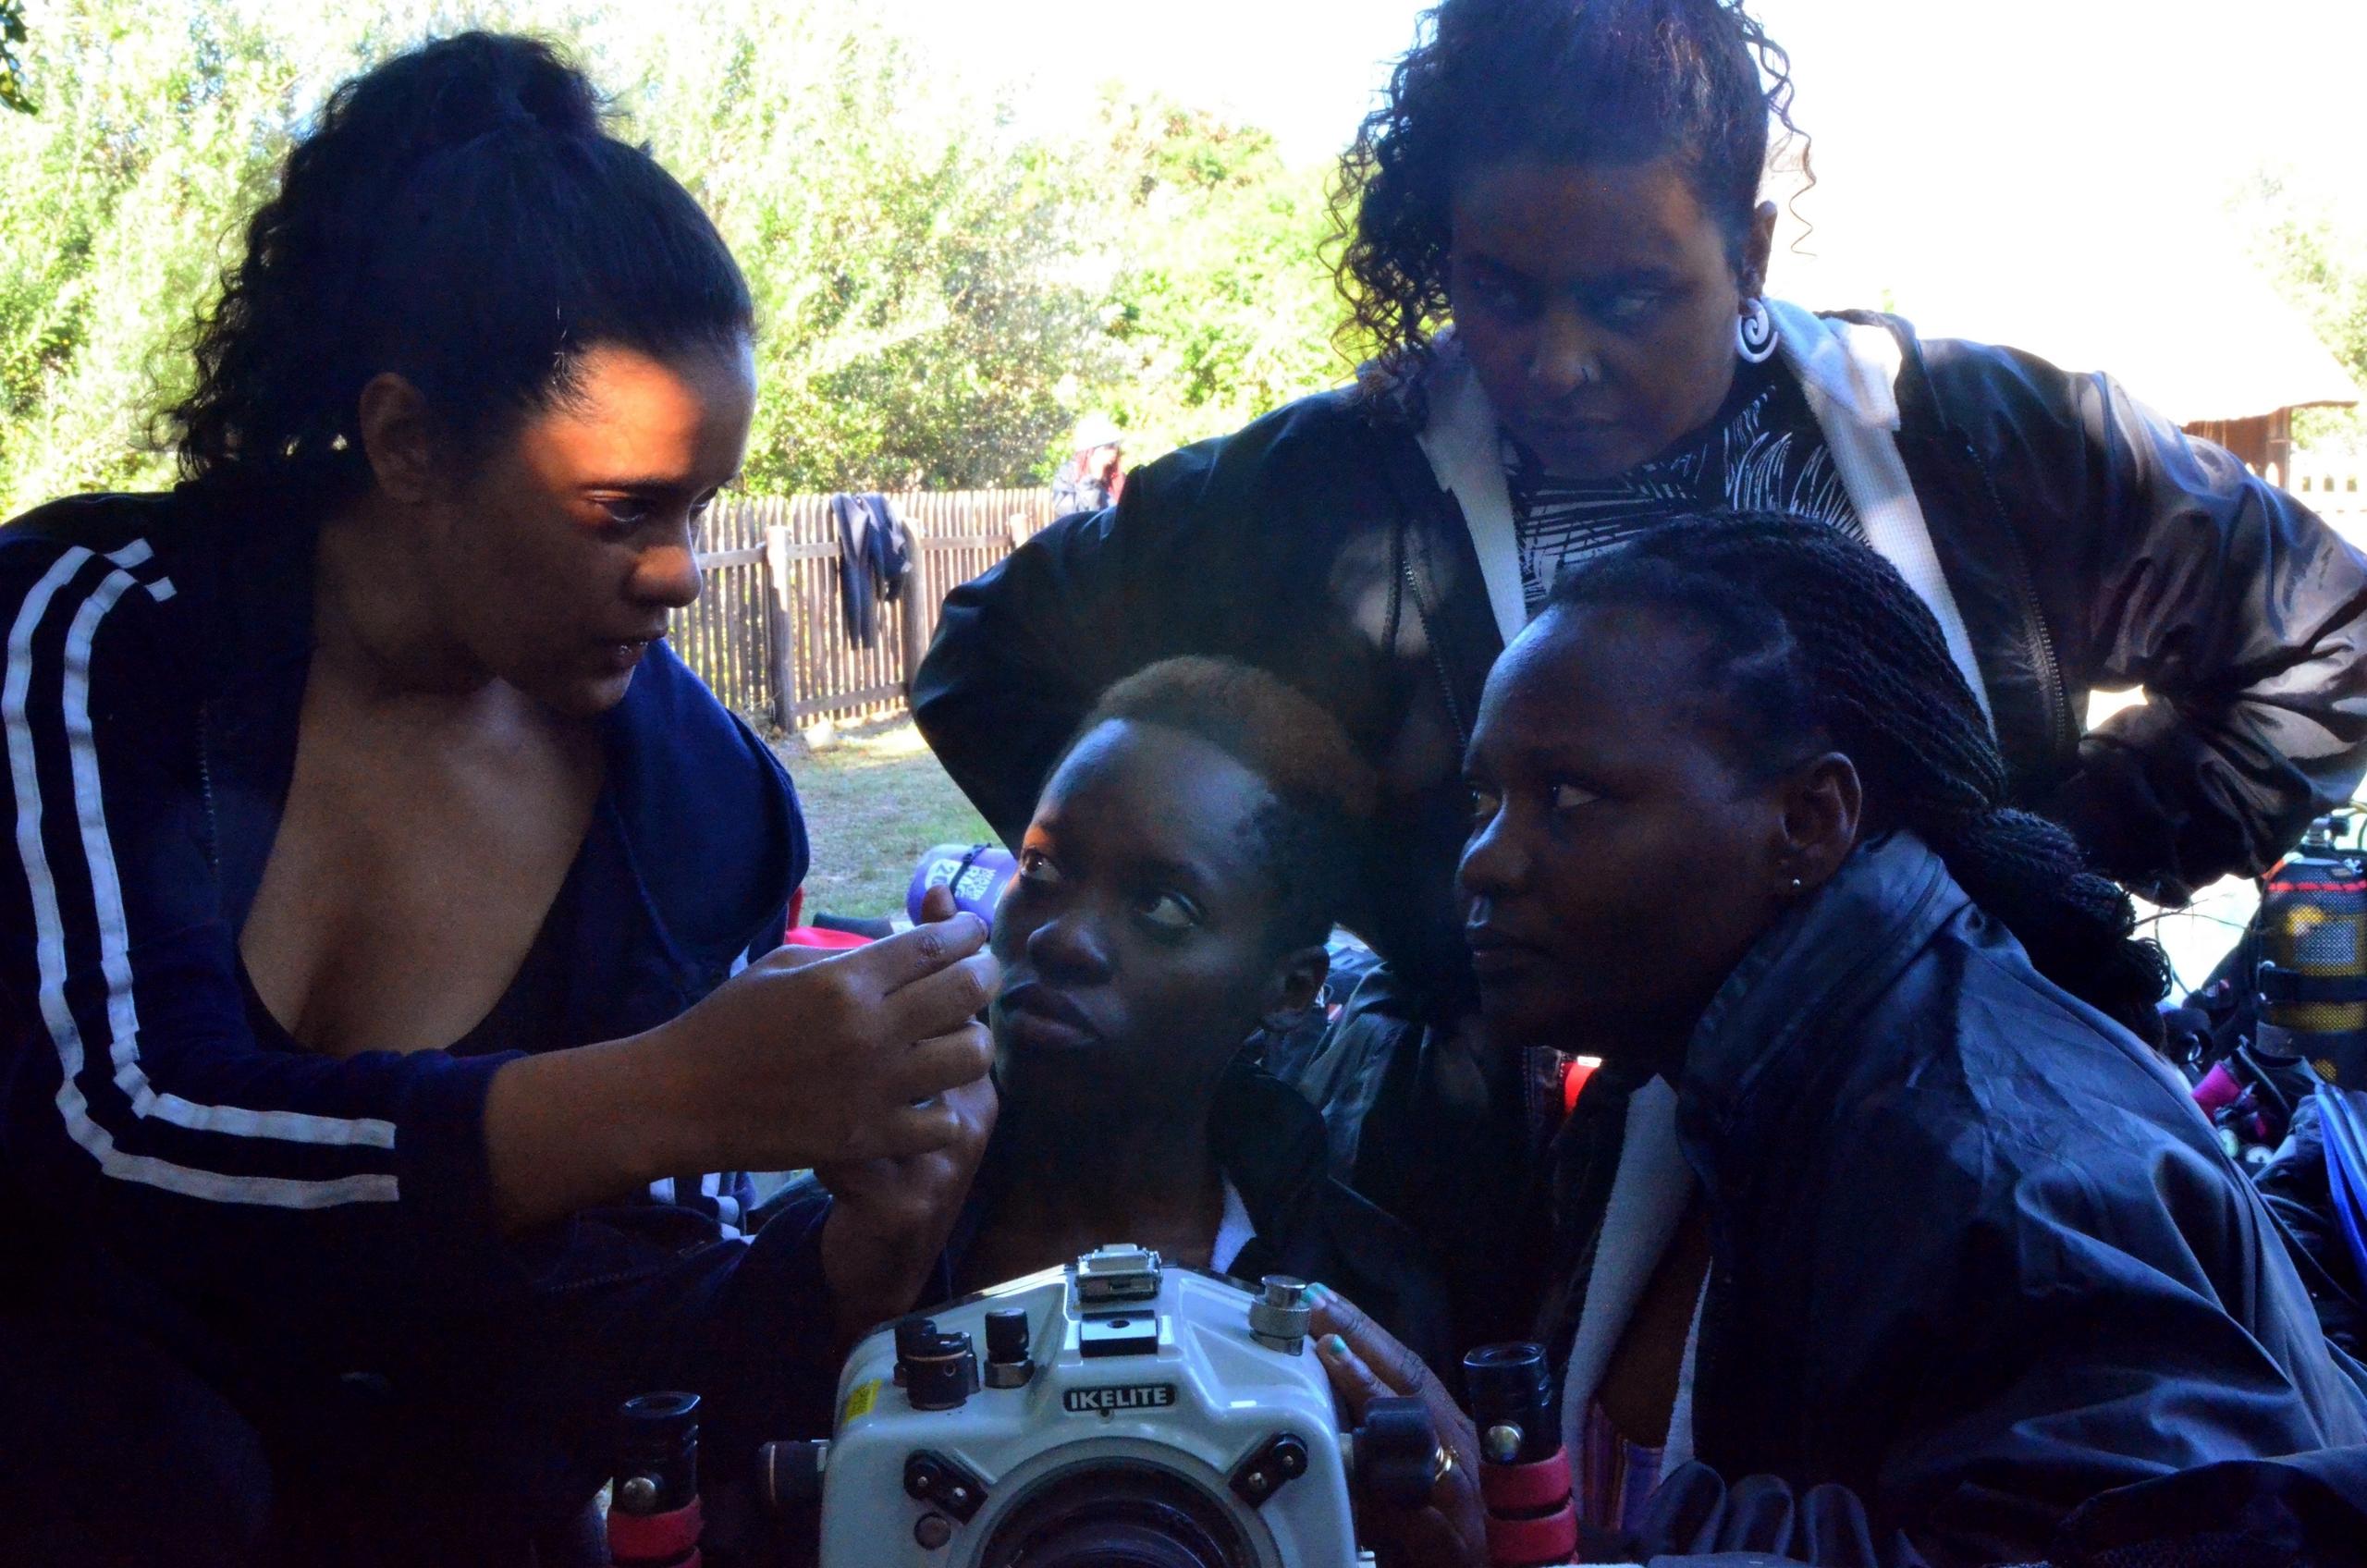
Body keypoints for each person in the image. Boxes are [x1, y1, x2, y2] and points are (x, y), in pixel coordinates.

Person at [910, 0, 2367, 1301]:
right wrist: (1332, 889)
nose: (1556, 361)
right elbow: (992, 660)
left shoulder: (1976, 444)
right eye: (1500, 290)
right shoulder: (1336, 490)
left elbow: (2332, 635)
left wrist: (2035, 866)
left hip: (1959, 1183)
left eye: (1628, 296)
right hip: (1508, 1228)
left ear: (1750, 252)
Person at [0, 34, 995, 1568]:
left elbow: (601, 1333)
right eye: (621, 510)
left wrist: (844, 1270)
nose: (679, 574)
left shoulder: (704, 814)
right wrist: (668, 1091)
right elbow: (105, 1137)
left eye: (701, 508)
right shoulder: (100, 632)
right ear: (408, 442)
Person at [1309, 515, 2367, 1567]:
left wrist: (1528, 1528)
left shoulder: (2008, 1169)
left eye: (1570, 797)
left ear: (1810, 820)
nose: (1484, 861)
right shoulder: (1663, 1099)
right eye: (1485, 799)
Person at [775, 657, 1453, 1371]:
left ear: (1291, 989)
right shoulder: (849, 1227)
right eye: (1041, 869)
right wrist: (850, 1303)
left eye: (1163, 907)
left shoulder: (1365, 1307)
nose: (1061, 938)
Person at [1048, 412, 1125, 518]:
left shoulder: (1117, 477)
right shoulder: (1067, 475)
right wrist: (1092, 480)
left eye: (1116, 445)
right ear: (1089, 451)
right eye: (1109, 446)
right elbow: (1074, 518)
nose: (1114, 451)